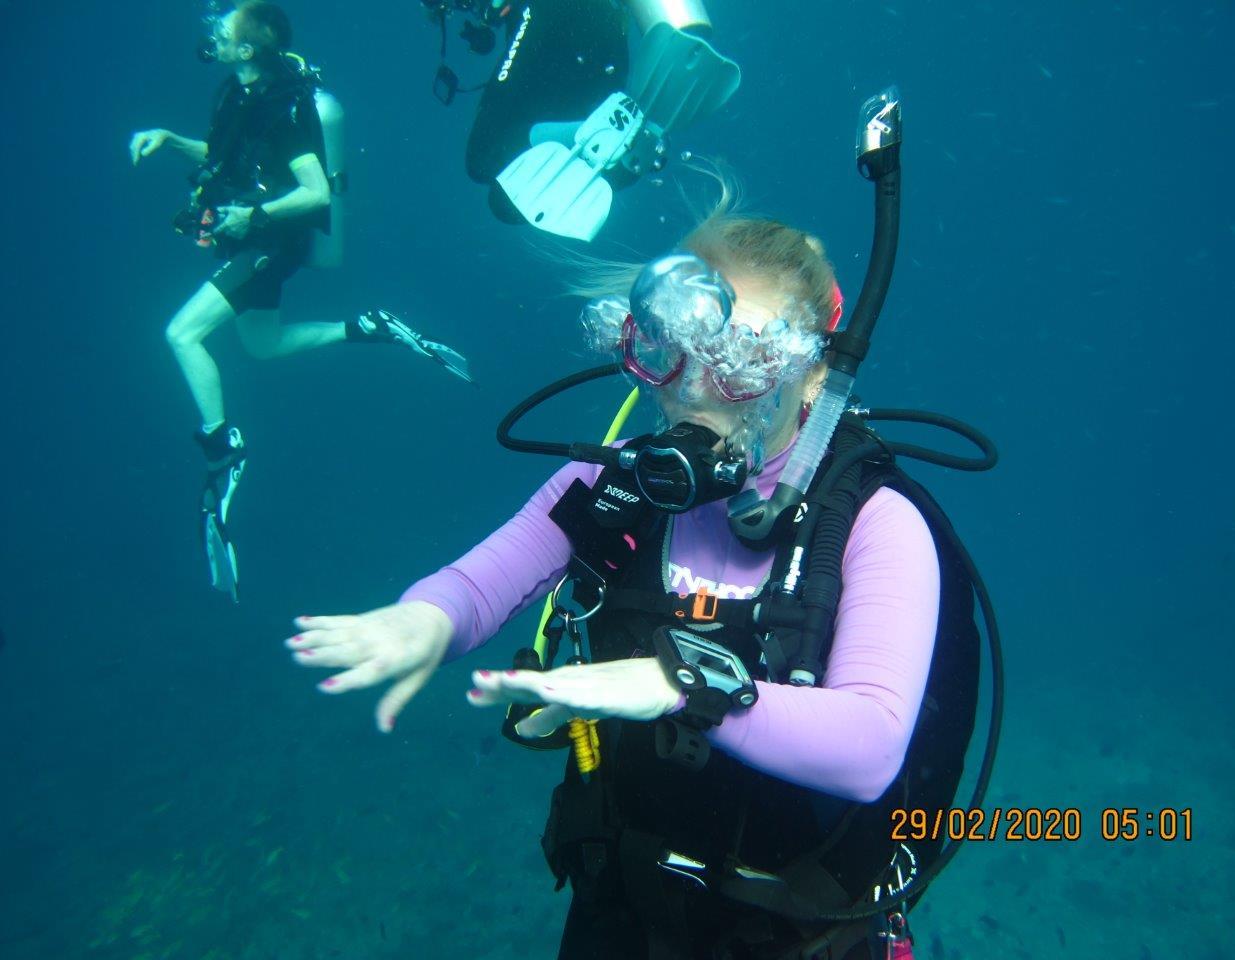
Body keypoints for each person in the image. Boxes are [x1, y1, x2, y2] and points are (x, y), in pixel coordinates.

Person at [286, 199, 994, 957]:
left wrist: (677, 686)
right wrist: (422, 621)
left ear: (815, 370)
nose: (693, 390)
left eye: (740, 361)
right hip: (622, 904)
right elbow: (481, 583)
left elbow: (870, 748)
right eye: (668, 353)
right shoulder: (614, 487)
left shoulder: (876, 522)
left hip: (805, 933)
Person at [130, 2, 469, 601]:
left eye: (226, 26)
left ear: (249, 47)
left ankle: (223, 449)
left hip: (269, 243)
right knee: (262, 345)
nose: (215, 28)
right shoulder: (236, 94)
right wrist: (169, 139)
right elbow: (222, 154)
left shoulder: (281, 111)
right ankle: (367, 327)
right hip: (253, 240)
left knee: (181, 333)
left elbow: (314, 193)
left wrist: (254, 216)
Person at [425, 0, 741, 241]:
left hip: (557, 14)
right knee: (510, 199)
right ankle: (630, 134)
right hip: (602, 32)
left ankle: (605, 130)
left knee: (483, 158)